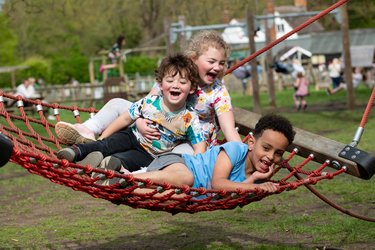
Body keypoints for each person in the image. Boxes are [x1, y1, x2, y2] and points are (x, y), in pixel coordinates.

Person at [55, 30, 242, 154]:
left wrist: (243, 153)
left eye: (222, 63)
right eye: (211, 62)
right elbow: (146, 104)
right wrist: (140, 120)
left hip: (189, 142)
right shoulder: (175, 78)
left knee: (182, 157)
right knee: (117, 104)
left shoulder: (218, 91)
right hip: (157, 128)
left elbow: (228, 129)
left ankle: (141, 173)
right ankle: (89, 130)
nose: (217, 67)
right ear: (194, 58)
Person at [57, 54, 206, 172]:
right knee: (105, 145)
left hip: (151, 155)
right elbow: (124, 119)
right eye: (170, 80)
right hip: (131, 136)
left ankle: (102, 165)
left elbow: (199, 146)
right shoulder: (150, 102)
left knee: (121, 160)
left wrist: (199, 168)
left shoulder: (189, 118)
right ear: (160, 84)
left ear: (192, 88)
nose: (175, 85)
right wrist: (102, 137)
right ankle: (75, 151)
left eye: (182, 82)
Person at [87, 114, 295, 195]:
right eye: (266, 148)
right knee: (184, 179)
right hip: (179, 164)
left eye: (278, 153)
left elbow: (237, 187)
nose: (270, 157)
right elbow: (219, 184)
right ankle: (126, 178)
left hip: (188, 191)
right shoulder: (236, 149)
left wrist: (255, 180)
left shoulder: (252, 177)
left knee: (173, 197)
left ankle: (115, 186)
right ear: (251, 142)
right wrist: (254, 185)